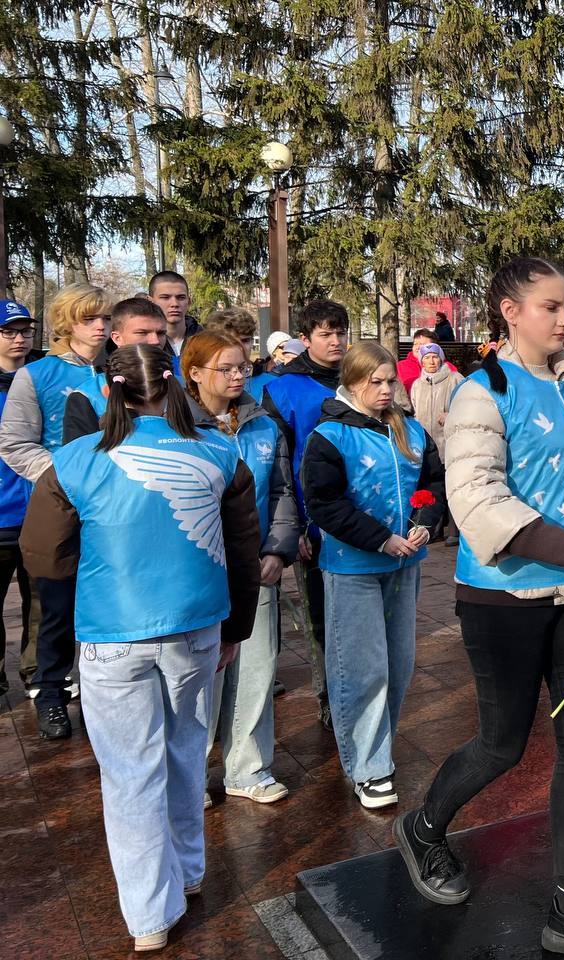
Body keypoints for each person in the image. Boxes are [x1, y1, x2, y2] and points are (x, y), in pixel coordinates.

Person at [393, 258, 564, 960]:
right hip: (503, 597)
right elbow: (475, 500)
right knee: (504, 743)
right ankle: (423, 826)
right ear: (509, 311)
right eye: (551, 307)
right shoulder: (484, 393)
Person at [19, 343, 260, 953]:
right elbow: (243, 550)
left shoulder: (75, 460)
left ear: (109, 391)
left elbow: (43, 554)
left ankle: (149, 915)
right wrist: (236, 629)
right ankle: (190, 872)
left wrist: (100, 565)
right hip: (197, 627)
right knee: (185, 752)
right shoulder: (218, 452)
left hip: (111, 631)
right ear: (176, 385)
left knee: (129, 775)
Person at [302, 341, 445, 808]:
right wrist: (380, 538)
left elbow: (431, 484)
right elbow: (325, 503)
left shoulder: (411, 430)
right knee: (361, 670)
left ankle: (378, 748)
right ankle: (368, 764)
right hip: (354, 567)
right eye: (373, 382)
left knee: (398, 667)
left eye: (389, 381)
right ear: (351, 381)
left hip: (404, 565)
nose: (384, 390)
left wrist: (424, 523)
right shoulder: (329, 435)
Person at [183, 331, 301, 807]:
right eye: (225, 369)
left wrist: (277, 549)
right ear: (194, 373)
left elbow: (282, 492)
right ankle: (191, 775)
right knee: (201, 675)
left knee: (256, 669)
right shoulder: (177, 427)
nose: (237, 376)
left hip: (256, 568)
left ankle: (248, 767)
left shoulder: (262, 423)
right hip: (200, 571)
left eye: (242, 368)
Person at [0, 283, 110, 739]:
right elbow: (15, 444)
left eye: (105, 318)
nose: (100, 326)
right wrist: (67, 475)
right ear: (66, 323)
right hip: (60, 508)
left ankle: (103, 694)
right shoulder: (38, 375)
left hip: (112, 510)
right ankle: (50, 694)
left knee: (104, 607)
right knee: (55, 609)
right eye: (89, 319)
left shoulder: (119, 370)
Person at [262, 300, 349, 729]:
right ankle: (329, 694)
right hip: (314, 520)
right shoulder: (283, 387)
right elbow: (279, 460)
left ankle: (358, 685)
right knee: (321, 615)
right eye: (325, 334)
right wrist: (293, 522)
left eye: (340, 332)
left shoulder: (358, 372)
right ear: (307, 337)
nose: (335, 341)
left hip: (362, 516)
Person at [63, 298, 170, 442]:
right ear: (117, 338)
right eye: (142, 333)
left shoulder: (181, 383)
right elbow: (78, 458)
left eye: (161, 333)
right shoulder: (87, 395)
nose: (155, 341)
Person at [0, 301, 38, 698]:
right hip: (1, 513)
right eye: (9, 331)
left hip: (39, 512)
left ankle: (38, 673)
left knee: (43, 602)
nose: (19, 338)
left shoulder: (41, 378)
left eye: (25, 330)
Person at [410, 343, 463, 545]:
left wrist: (451, 416)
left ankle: (455, 530)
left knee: (453, 486)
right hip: (426, 445)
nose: (431, 362)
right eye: (426, 358)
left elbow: (468, 406)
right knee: (432, 485)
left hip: (449, 443)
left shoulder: (455, 380)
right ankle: (434, 528)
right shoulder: (417, 384)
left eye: (434, 357)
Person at [149, 271, 202, 357]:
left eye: (181, 297)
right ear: (150, 301)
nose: (174, 304)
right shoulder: (142, 344)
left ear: (189, 301)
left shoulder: (208, 341)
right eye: (165, 297)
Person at [397, 328, 432, 397]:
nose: (418, 347)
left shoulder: (445, 367)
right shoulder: (400, 366)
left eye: (422, 344)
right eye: (415, 344)